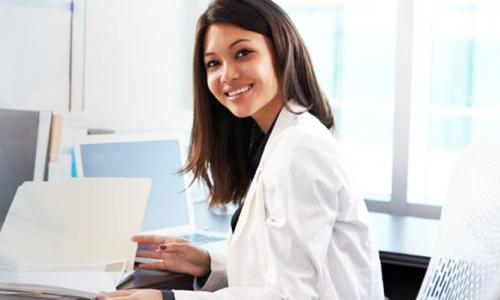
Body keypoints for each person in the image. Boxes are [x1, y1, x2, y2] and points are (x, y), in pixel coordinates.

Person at [99, 0, 384, 299]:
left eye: (242, 53)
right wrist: (210, 266)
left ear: (280, 50)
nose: (227, 74)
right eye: (213, 63)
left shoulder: (300, 151)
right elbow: (272, 272)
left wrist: (168, 298)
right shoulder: (272, 141)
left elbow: (290, 295)